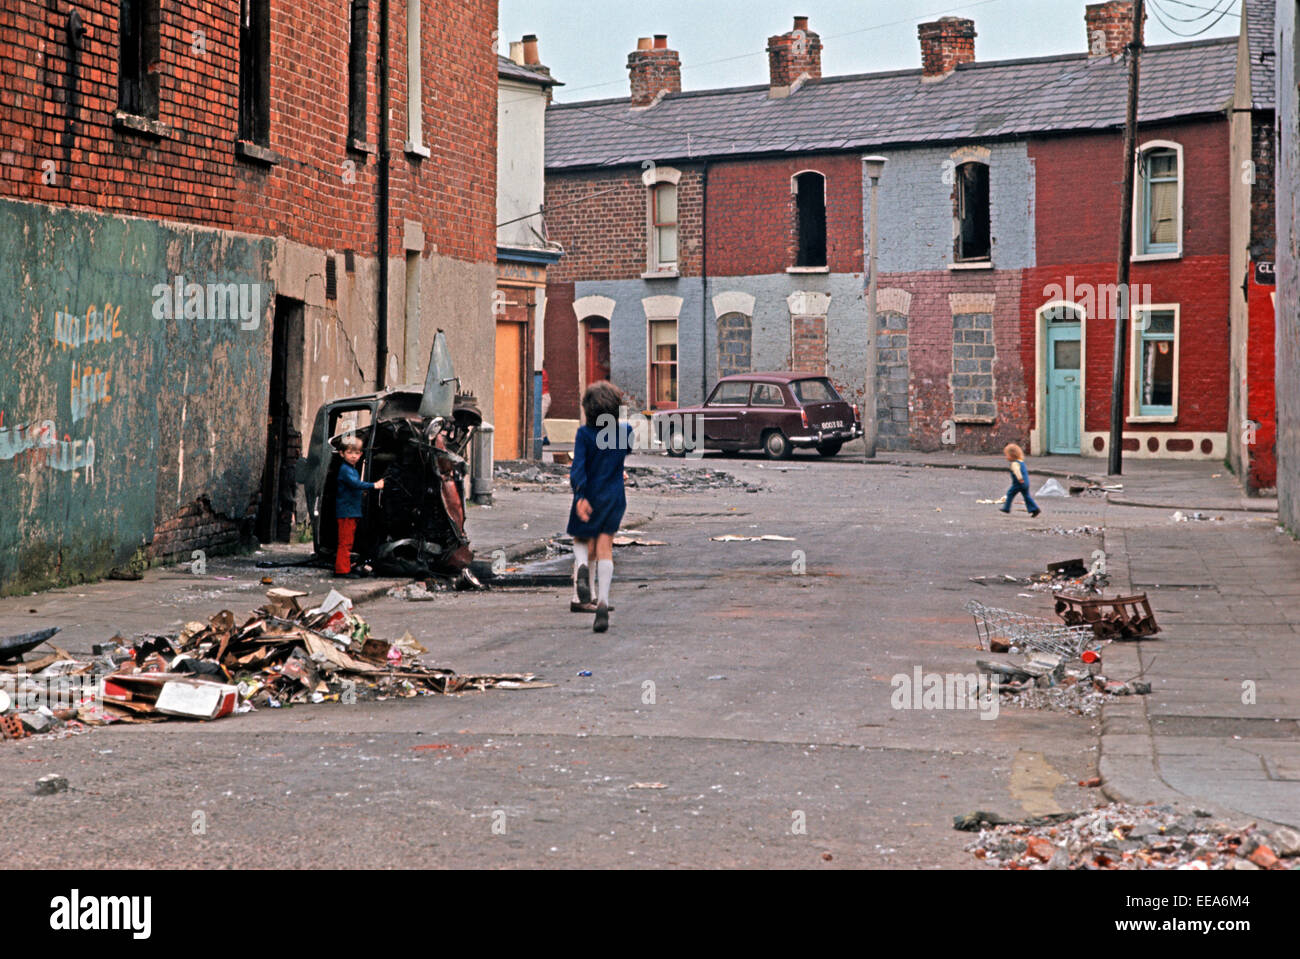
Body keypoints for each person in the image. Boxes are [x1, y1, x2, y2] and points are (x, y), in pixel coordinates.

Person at [567, 381, 633, 633]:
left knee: (582, 539)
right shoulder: (624, 432)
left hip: (589, 494)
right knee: (605, 547)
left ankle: (582, 566)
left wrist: (580, 494)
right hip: (614, 496)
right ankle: (602, 601)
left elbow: (578, 469)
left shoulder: (584, 435)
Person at [335, 436, 384, 577]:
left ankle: (345, 567)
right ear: (342, 453)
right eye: (350, 453)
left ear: (361, 454)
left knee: (348, 542)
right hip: (347, 512)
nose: (353, 456)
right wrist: (374, 485)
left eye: (356, 453)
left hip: (351, 511)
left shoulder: (352, 469)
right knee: (345, 543)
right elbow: (356, 484)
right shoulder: (346, 470)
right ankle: (342, 571)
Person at [999, 443, 1041, 518]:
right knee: (1027, 496)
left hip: (1018, 483)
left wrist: (1020, 479)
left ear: (1012, 455)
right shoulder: (1021, 462)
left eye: (1007, 455)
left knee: (1010, 493)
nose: (1006, 457)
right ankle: (1034, 509)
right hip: (1026, 482)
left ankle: (1006, 508)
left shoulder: (1014, 463)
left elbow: (1017, 472)